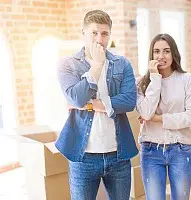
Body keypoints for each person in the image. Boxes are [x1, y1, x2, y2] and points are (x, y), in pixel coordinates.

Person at [55, 10, 138, 200]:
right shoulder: (68, 64)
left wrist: (93, 105)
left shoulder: (122, 63)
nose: (99, 39)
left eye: (104, 33)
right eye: (94, 33)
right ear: (83, 33)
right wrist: (97, 66)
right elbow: (77, 98)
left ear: (109, 34)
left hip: (118, 155)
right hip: (82, 156)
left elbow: (129, 101)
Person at [136, 33, 191, 200]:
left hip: (180, 149)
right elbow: (145, 113)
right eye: (156, 51)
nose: (161, 56)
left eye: (166, 51)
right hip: (151, 150)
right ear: (151, 55)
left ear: (174, 54)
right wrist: (155, 77)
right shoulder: (142, 83)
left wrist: (159, 119)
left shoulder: (187, 79)